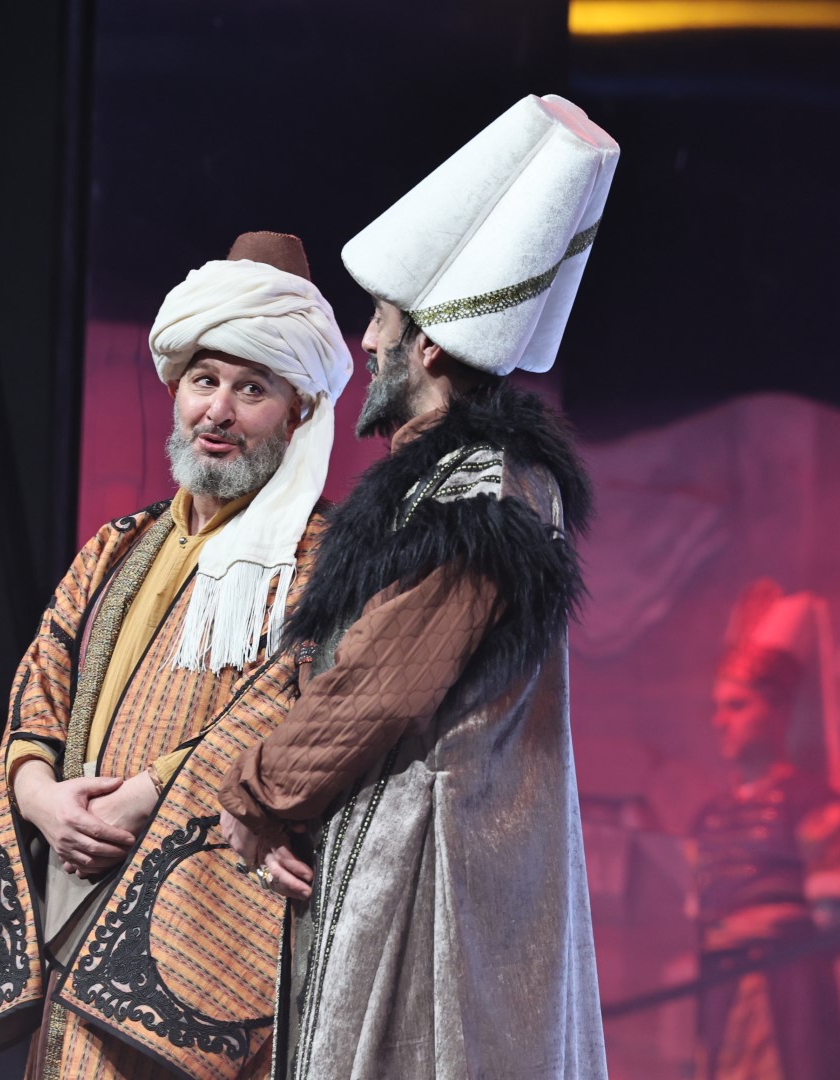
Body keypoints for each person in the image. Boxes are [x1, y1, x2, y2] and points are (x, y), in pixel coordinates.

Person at [217, 95, 617, 1079]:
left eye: (382, 323)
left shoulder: (473, 495)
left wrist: (257, 794)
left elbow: (380, 683)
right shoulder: (475, 482)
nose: (366, 342)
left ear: (428, 347)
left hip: (431, 868)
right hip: (438, 851)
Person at [0, 233, 352, 1080]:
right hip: (76, 889)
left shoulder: (323, 558)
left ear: (298, 411)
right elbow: (40, 686)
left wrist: (144, 797)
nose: (217, 412)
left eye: (252, 388)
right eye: (204, 380)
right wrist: (39, 796)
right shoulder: (118, 545)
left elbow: (288, 713)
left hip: (209, 919)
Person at [691, 580, 840, 1080]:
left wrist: (775, 934)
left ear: (776, 711)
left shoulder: (813, 805)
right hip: (720, 996)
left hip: (791, 995)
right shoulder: (708, 819)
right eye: (717, 707)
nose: (721, 721)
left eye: (738, 706)